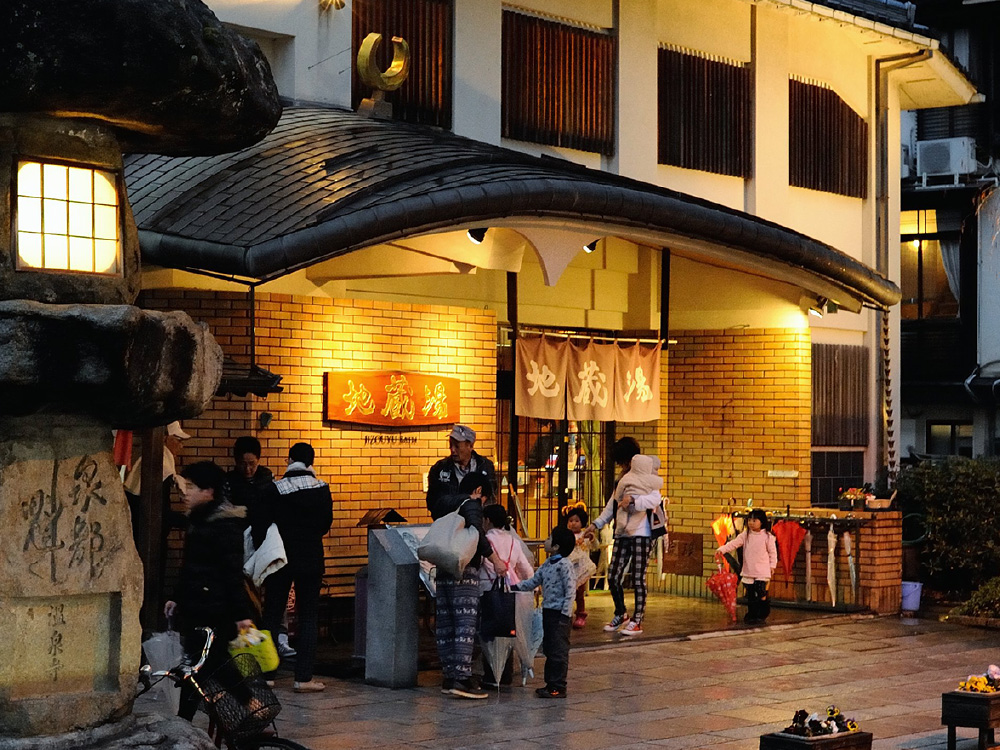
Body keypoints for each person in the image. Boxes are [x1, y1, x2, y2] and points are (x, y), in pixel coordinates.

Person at [163, 461, 254, 720]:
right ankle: (186, 725)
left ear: (209, 492)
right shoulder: (200, 521)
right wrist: (176, 597)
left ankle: (252, 706)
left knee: (210, 665)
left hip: (214, 611)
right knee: (197, 670)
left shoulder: (223, 525)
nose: (185, 492)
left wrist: (241, 615)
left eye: (191, 487)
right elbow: (192, 568)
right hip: (197, 609)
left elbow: (232, 574)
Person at [427, 470, 508, 699]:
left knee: (446, 623)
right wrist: (496, 560)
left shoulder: (445, 503)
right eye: (485, 499)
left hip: (444, 568)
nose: (483, 505)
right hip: (464, 569)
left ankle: (449, 675)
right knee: (465, 623)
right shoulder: (471, 504)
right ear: (479, 491)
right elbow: (477, 535)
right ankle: (462, 678)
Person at [259, 442, 333, 693]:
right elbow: (325, 525)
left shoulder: (275, 489)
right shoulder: (322, 488)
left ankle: (267, 674)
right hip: (311, 558)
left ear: (289, 460)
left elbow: (262, 525)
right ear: (311, 462)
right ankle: (303, 678)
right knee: (309, 616)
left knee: (271, 614)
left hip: (280, 559)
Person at [583, 438, 664, 636]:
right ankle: (621, 613)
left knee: (638, 578)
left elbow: (655, 499)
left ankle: (638, 619)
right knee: (613, 575)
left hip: (642, 533)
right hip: (622, 533)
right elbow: (612, 504)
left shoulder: (647, 475)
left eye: (623, 461)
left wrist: (634, 500)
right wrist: (595, 525)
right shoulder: (622, 480)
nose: (622, 466)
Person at [511, 525, 576, 699]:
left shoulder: (564, 565)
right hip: (549, 611)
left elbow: (571, 591)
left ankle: (558, 685)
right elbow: (534, 581)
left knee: (558, 649)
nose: (545, 541)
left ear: (556, 546)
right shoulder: (548, 564)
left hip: (560, 614)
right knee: (549, 647)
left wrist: (566, 614)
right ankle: (551, 683)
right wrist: (515, 587)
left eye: (549, 538)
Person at [714, 508, 777, 625]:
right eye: (750, 520)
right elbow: (733, 544)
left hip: (762, 570)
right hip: (749, 569)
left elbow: (773, 553)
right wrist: (722, 550)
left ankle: (763, 611)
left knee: (761, 590)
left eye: (754, 520)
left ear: (762, 522)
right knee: (751, 593)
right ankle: (752, 614)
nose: (751, 523)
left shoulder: (768, 537)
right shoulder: (745, 535)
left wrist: (772, 566)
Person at [426, 424, 498, 507]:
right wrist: (465, 499)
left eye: (457, 446)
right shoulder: (439, 468)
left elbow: (492, 497)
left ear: (470, 446)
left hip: (479, 518)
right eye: (450, 445)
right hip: (450, 518)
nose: (452, 450)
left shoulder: (486, 466)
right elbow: (433, 502)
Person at [561, 503, 592, 629]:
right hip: (568, 568)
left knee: (579, 593)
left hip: (581, 569)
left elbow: (594, 545)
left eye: (576, 521)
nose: (573, 523)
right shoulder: (565, 535)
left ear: (582, 522)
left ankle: (580, 614)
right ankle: (566, 613)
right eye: (571, 520)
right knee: (567, 591)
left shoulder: (585, 535)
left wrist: (590, 538)